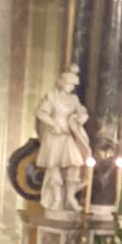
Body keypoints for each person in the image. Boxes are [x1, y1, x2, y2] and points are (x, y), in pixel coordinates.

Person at [34, 65, 91, 212]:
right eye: (69, 83)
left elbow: (82, 112)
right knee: (54, 166)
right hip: (53, 136)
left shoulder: (74, 99)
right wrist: (53, 124)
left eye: (73, 85)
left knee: (75, 163)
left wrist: (81, 118)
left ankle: (70, 197)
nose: (71, 87)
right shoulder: (52, 96)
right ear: (62, 82)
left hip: (67, 135)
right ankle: (57, 198)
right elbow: (41, 113)